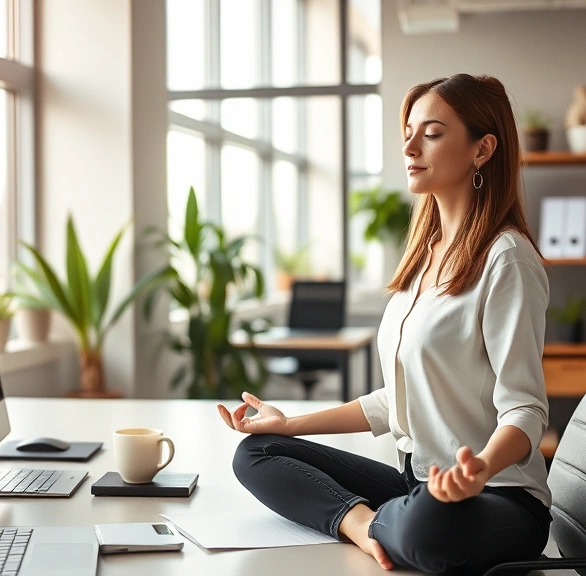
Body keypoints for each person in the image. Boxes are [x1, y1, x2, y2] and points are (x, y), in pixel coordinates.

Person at [218, 73, 552, 575]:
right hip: (417, 483)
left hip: (499, 499)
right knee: (258, 451)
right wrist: (289, 424)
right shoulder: (425, 257)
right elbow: (394, 401)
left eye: (432, 133)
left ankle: (382, 524)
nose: (411, 146)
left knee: (427, 527)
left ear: (482, 150)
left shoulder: (506, 260)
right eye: (408, 133)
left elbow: (525, 410)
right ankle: (361, 523)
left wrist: (479, 470)